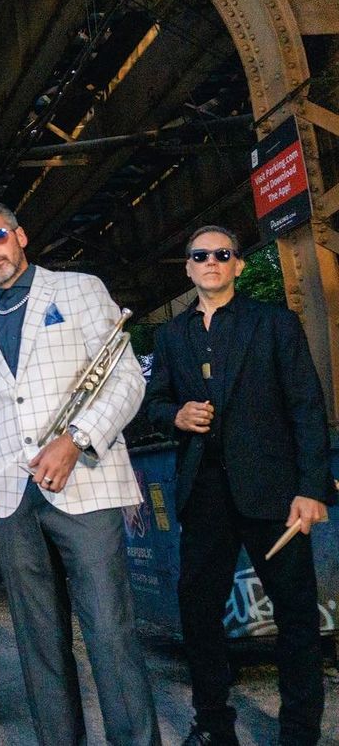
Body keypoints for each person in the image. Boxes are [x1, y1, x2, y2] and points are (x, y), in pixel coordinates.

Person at [0, 199, 160, 745]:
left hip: (85, 483)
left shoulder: (80, 289)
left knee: (109, 634)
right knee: (38, 643)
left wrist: (77, 439)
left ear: (20, 236)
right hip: (13, 498)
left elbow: (126, 379)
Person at [143, 225, 334, 746]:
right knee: (198, 613)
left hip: (274, 493)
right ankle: (213, 725)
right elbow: (154, 403)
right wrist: (176, 415)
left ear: (238, 265)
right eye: (200, 255)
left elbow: (307, 406)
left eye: (222, 254)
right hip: (203, 493)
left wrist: (312, 488)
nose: (211, 261)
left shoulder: (275, 323)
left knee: (296, 616)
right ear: (188, 267)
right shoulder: (171, 336)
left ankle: (299, 733)